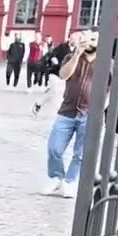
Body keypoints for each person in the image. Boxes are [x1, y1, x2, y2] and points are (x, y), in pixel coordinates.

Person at [43, 30, 97, 199]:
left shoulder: (107, 63)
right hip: (67, 111)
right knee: (54, 148)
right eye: (86, 38)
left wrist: (102, 108)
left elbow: (111, 88)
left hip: (89, 113)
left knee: (80, 153)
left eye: (93, 39)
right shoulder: (70, 58)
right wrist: (77, 54)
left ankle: (70, 181)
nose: (89, 42)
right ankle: (56, 177)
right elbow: (64, 75)